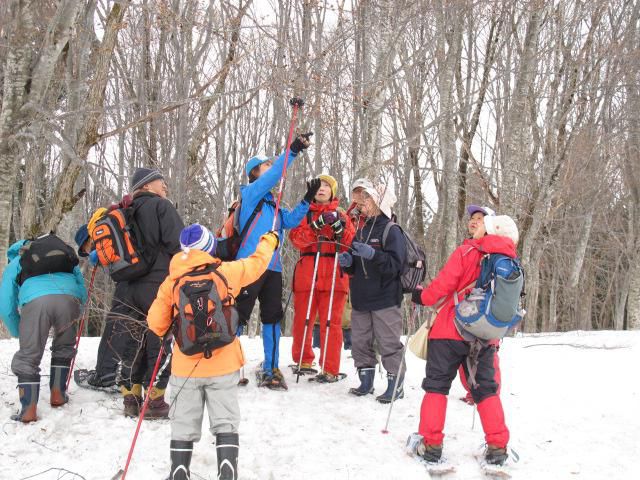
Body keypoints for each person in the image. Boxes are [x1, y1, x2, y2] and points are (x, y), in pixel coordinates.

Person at [147, 224, 280, 480]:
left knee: (183, 421)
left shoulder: (172, 281)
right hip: (224, 363)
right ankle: (227, 471)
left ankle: (179, 471)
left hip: (186, 366)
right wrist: (269, 240)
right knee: (226, 420)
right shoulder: (226, 272)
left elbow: (155, 323)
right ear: (209, 248)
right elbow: (257, 263)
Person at [411, 209, 519, 466]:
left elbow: (443, 286)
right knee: (486, 390)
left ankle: (431, 444)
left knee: (436, 386)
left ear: (490, 229)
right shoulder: (509, 261)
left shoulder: (468, 251)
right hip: (485, 335)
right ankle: (497, 447)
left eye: (484, 222)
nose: (477, 224)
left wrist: (421, 296)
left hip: (450, 330)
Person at [234, 133, 314, 389]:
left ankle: (271, 367)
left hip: (273, 268)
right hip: (248, 266)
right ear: (255, 172)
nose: (270, 167)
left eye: (271, 163)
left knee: (272, 317)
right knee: (236, 317)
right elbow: (274, 175)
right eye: (266, 164)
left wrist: (306, 200)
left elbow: (289, 222)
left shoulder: (273, 204)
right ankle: (226, 365)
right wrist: (292, 151)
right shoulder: (251, 194)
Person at [116, 168, 184, 417]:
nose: (165, 186)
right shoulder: (161, 207)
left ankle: (131, 399)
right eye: (160, 181)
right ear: (146, 186)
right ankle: (155, 400)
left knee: (132, 340)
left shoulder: (123, 212)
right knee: (160, 338)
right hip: (156, 283)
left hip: (126, 286)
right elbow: (179, 244)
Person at [0, 235, 87, 422]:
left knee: (29, 355)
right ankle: (58, 395)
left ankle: (28, 411)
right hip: (69, 297)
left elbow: (6, 303)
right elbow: (81, 285)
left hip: (37, 301)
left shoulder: (18, 259)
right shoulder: (62, 253)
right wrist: (78, 307)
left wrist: (18, 331)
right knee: (64, 346)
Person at [339, 182, 407, 403]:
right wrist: (348, 264)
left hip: (386, 297)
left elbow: (397, 266)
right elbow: (358, 266)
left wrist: (373, 255)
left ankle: (395, 385)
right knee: (360, 341)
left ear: (379, 201)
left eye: (366, 198)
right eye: (361, 198)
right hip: (360, 297)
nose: (361, 203)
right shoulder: (362, 229)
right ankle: (366, 381)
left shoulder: (391, 230)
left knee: (388, 343)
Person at [289, 174, 355, 382]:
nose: (322, 188)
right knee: (302, 320)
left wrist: (338, 229)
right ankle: (303, 360)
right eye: (319, 185)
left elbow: (351, 243)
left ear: (333, 191)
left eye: (327, 185)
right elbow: (296, 239)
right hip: (308, 272)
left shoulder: (342, 215)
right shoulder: (304, 213)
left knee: (331, 322)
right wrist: (315, 227)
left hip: (334, 274)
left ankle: (330, 367)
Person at [72, 203, 132, 393]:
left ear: (88, 238)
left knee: (116, 324)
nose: (88, 252)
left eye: (87, 248)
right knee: (132, 326)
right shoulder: (116, 218)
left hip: (131, 278)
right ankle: (130, 374)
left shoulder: (103, 224)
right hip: (139, 275)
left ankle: (105, 375)